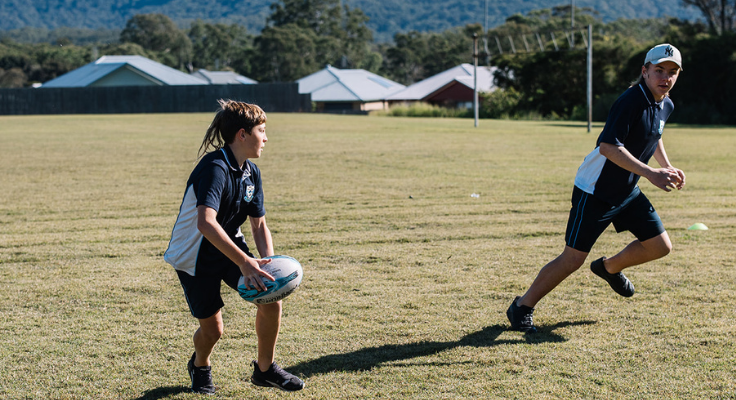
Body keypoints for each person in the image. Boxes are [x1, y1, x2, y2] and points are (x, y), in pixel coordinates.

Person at [507, 44, 686, 333]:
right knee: (572, 259)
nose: (665, 77)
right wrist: (652, 173)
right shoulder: (630, 101)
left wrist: (666, 166)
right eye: (659, 71)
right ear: (645, 71)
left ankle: (608, 268)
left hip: (627, 191)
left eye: (672, 72)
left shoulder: (666, 103)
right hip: (595, 191)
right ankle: (521, 307)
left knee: (660, 246)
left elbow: (656, 135)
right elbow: (608, 147)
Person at [164, 99, 304, 393]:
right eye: (261, 131)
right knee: (213, 330)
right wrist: (244, 261)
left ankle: (265, 370)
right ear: (242, 134)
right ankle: (200, 365)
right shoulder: (215, 168)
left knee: (270, 298)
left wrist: (270, 264)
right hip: (195, 255)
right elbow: (205, 223)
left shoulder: (251, 173)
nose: (266, 138)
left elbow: (259, 225)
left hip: (230, 246)